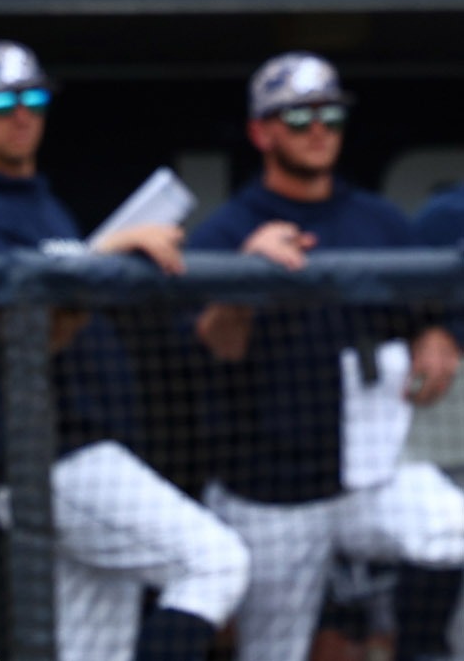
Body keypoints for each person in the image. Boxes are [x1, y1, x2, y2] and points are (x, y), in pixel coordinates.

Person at [0, 40, 249, 661]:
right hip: (43, 459)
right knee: (216, 562)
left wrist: (100, 259)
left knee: (91, 650)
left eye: (33, 97)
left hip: (83, 455)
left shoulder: (42, 201)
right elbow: (26, 329)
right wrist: (114, 253)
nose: (21, 112)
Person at [187, 51, 464, 661]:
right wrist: (246, 275)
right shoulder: (227, 230)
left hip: (374, 470)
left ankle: (425, 646)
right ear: (262, 131)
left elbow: (430, 311)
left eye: (330, 115)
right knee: (273, 653)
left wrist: (442, 335)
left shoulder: (380, 220)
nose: (318, 129)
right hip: (273, 492)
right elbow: (212, 347)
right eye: (299, 116)